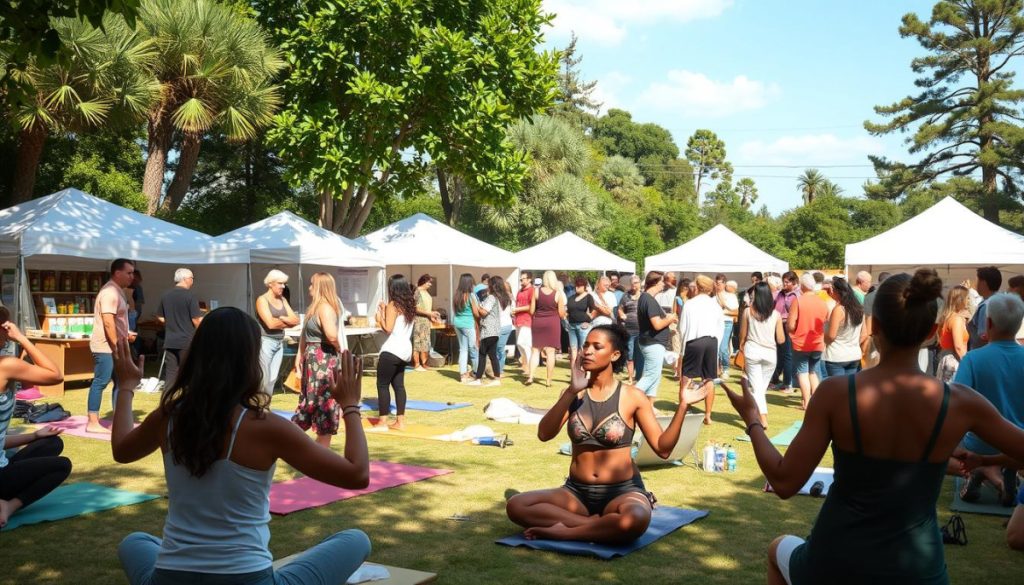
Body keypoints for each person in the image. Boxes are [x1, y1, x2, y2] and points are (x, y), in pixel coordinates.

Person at [723, 269, 1024, 585]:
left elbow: (784, 482)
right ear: (931, 332)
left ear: (875, 325)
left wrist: (753, 419)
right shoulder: (961, 402)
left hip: (836, 560)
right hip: (918, 570)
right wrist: (989, 462)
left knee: (777, 548)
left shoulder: (835, 393)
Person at [109, 308, 371, 585]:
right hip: (247, 579)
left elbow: (122, 450)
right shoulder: (266, 427)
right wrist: (350, 406)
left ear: (197, 354)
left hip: (170, 578)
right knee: (356, 540)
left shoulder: (168, 417)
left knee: (135, 541)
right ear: (250, 359)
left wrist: (126, 387)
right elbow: (357, 474)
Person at [505, 325, 709, 544]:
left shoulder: (633, 396)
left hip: (621, 491)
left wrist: (683, 406)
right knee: (516, 505)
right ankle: (592, 525)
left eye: (596, 346)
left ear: (615, 354)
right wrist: (572, 391)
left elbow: (663, 448)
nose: (588, 351)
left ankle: (564, 532)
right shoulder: (574, 393)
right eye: (586, 346)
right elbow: (544, 434)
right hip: (576, 492)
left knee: (635, 519)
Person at [952, 293, 1024, 506]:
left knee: (963, 442)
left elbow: (957, 402)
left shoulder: (973, 359)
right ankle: (1004, 474)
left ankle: (982, 472)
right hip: (1018, 443)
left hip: (979, 443)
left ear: (989, 322)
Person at [0, 309, 69, 530]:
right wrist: (21, 338)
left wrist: (34, 435)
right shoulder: (6, 365)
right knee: (62, 466)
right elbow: (54, 375)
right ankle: (9, 505)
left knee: (52, 442)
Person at [292, 273, 344, 446]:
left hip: (317, 360)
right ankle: (320, 449)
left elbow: (311, 335)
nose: (309, 288)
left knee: (314, 401)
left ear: (320, 286)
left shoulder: (319, 308)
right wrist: (340, 349)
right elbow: (331, 335)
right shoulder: (323, 307)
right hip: (321, 360)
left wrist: (300, 354)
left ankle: (305, 441)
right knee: (323, 403)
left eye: (312, 284)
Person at [88, 258, 136, 434]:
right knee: (101, 382)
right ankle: (92, 422)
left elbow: (115, 322)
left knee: (121, 382)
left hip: (115, 346)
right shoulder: (110, 292)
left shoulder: (116, 291)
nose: (132, 277)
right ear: (117, 273)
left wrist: (125, 335)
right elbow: (108, 322)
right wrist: (116, 346)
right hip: (106, 348)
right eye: (129, 273)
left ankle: (119, 420)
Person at [373, 275, 416, 429]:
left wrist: (379, 318)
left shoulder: (394, 304)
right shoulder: (410, 305)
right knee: (399, 386)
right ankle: (400, 421)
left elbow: (388, 329)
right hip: (405, 350)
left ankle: (382, 421)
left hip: (392, 349)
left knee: (382, 385)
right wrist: (385, 310)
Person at [739, 282, 784, 430]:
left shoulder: (748, 312)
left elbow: (742, 335)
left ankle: (763, 418)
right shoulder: (776, 315)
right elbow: (781, 339)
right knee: (760, 389)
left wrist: (741, 346)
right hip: (770, 353)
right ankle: (758, 414)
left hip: (753, 351)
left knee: (758, 389)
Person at [680, 276, 723, 425]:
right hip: (711, 341)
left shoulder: (690, 304)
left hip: (694, 341)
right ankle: (708, 414)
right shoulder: (715, 305)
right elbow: (720, 328)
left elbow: (683, 327)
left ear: (697, 287)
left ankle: (684, 407)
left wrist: (682, 348)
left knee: (686, 376)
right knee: (709, 378)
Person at [155, 268, 202, 389]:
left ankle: (166, 403)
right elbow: (196, 320)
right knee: (188, 374)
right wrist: (203, 332)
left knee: (170, 375)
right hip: (186, 341)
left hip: (170, 340)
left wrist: (171, 323)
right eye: (192, 278)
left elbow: (159, 316)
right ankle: (189, 402)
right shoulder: (190, 296)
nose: (192, 281)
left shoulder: (166, 295)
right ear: (186, 279)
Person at [256, 269, 300, 397]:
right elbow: (270, 324)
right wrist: (287, 321)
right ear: (270, 284)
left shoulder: (283, 300)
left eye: (284, 283)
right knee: (264, 378)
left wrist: (281, 319)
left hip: (279, 342)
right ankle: (259, 407)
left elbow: (296, 320)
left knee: (272, 379)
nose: (283, 286)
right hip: (266, 341)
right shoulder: (262, 300)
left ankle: (265, 406)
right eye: (280, 283)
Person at [635, 271, 678, 403]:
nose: (663, 284)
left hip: (651, 342)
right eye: (661, 282)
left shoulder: (645, 298)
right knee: (651, 376)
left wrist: (667, 319)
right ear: (655, 283)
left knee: (655, 376)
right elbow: (657, 324)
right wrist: (669, 319)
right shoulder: (649, 300)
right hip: (652, 343)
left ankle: (649, 406)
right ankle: (627, 399)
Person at [788, 273, 828, 410]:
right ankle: (815, 402)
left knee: (803, 372)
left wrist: (791, 331)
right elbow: (825, 322)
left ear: (802, 285)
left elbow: (791, 325)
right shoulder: (823, 302)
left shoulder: (798, 301)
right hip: (818, 342)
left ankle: (806, 402)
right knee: (813, 372)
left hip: (801, 342)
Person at [467, 276, 509, 387]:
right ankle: (496, 378)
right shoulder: (498, 297)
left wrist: (476, 305)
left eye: (488, 284)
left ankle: (479, 379)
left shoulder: (491, 298)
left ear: (492, 285)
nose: (487, 286)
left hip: (488, 330)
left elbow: (484, 312)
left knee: (482, 354)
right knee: (492, 355)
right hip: (494, 330)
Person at [823, 277, 867, 377]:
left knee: (838, 390)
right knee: (850, 389)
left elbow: (831, 336)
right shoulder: (859, 308)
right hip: (854, 354)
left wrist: (822, 336)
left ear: (836, 291)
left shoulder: (838, 310)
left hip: (836, 356)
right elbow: (864, 334)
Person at [530, 271, 566, 388]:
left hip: (538, 322)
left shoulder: (536, 291)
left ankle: (531, 376)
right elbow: (561, 313)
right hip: (552, 324)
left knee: (535, 351)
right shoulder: (558, 294)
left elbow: (531, 311)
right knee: (551, 352)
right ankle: (548, 380)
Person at [770, 271, 799, 392]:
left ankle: (788, 383)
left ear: (794, 282)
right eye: (784, 281)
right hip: (778, 325)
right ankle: (776, 380)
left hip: (789, 326)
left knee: (788, 355)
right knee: (778, 354)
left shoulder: (797, 295)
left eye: (787, 282)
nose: (784, 284)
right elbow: (775, 307)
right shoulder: (781, 294)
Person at [936, 285, 970, 382]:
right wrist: (968, 364)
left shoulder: (948, 317)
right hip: (954, 362)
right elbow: (958, 346)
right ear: (960, 300)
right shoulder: (956, 319)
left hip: (946, 359)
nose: (968, 301)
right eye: (967, 298)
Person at [410, 275, 441, 372]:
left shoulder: (426, 293)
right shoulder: (417, 291)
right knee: (417, 342)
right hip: (418, 321)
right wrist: (429, 313)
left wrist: (432, 316)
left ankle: (424, 363)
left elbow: (427, 308)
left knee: (425, 343)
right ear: (424, 281)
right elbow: (415, 308)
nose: (430, 284)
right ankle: (416, 364)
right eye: (429, 282)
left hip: (426, 321)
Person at [453, 273, 480, 381]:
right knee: (474, 349)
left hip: (458, 323)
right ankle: (476, 372)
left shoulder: (456, 295)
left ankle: (463, 374)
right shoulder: (471, 295)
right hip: (468, 324)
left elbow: (455, 311)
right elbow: (476, 313)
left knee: (463, 350)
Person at [968, 265, 1002, 349]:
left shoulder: (986, 306)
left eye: (977, 281)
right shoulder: (1002, 301)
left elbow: (984, 337)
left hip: (983, 355)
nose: (976, 285)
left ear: (984, 283)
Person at [617, 275, 643, 384]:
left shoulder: (644, 296)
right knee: (630, 354)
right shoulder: (625, 296)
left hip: (641, 330)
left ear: (640, 284)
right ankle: (631, 377)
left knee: (640, 354)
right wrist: (622, 314)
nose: (634, 285)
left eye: (636, 283)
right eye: (633, 283)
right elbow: (620, 309)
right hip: (629, 330)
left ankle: (639, 376)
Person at [566, 276, 596, 366]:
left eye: (579, 286)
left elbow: (593, 310)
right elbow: (568, 311)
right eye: (576, 286)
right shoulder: (571, 298)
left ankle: (585, 370)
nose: (577, 288)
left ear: (584, 286)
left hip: (583, 326)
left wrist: (589, 321)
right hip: (571, 326)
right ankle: (574, 374)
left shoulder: (588, 297)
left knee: (583, 348)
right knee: (573, 349)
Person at [514, 272, 536, 383]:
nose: (521, 281)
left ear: (529, 279)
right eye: (520, 279)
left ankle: (529, 368)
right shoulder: (520, 291)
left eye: (523, 279)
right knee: (520, 345)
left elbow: (531, 306)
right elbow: (517, 304)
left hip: (527, 320)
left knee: (524, 343)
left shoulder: (532, 290)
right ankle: (526, 365)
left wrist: (517, 310)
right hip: (518, 320)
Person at [715, 275, 739, 378]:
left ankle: (725, 368)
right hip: (714, 323)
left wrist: (723, 312)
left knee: (722, 347)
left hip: (726, 323)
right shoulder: (712, 297)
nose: (717, 286)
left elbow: (736, 312)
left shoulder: (731, 296)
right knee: (714, 347)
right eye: (716, 283)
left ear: (724, 284)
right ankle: (716, 368)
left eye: (719, 283)